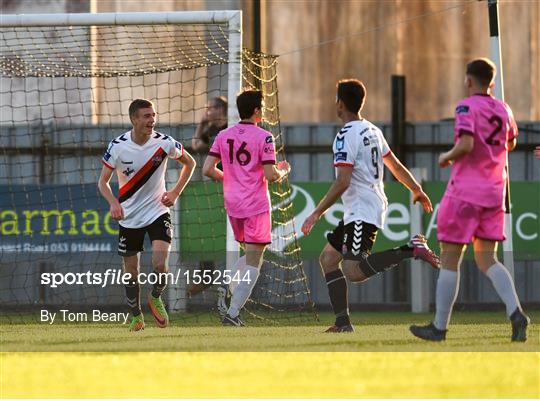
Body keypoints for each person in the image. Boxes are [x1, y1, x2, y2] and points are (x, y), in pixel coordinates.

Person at [301, 79, 440, 333]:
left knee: (353, 271)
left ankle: (411, 249)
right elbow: (395, 165)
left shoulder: (345, 136)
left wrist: (316, 213)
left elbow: (342, 182)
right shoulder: (372, 130)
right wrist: (416, 189)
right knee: (328, 258)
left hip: (362, 209)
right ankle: (343, 323)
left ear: (340, 104)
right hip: (365, 206)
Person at [410, 58, 530, 342]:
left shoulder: (465, 106)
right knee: (487, 258)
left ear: (468, 80)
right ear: (492, 81)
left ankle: (439, 328)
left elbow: (466, 144)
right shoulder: (504, 109)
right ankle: (516, 313)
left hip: (465, 191)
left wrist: (446, 156)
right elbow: (511, 142)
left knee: (450, 258)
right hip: (494, 191)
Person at [98, 98, 196, 331]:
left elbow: (190, 163)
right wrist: (113, 203)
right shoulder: (118, 146)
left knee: (160, 264)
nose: (151, 121)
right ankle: (136, 316)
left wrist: (175, 192)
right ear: (134, 119)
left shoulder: (164, 143)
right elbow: (102, 181)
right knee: (131, 270)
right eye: (146, 116)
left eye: (153, 115)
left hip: (158, 212)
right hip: (129, 217)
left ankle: (155, 296)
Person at [202, 90, 290, 326]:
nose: (263, 109)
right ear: (256, 110)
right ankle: (232, 313)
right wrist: (283, 171)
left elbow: (207, 168)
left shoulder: (223, 135)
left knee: (251, 254)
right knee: (255, 260)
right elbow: (271, 175)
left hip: (233, 204)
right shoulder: (264, 137)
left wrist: (230, 179)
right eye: (262, 106)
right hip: (256, 204)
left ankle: (227, 284)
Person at [188, 97, 228, 303]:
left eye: (210, 108)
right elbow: (196, 145)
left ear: (221, 109)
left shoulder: (232, 128)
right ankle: (206, 274)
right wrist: (202, 123)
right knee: (206, 229)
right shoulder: (211, 130)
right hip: (214, 189)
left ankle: (235, 282)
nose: (207, 111)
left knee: (231, 234)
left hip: (232, 188)